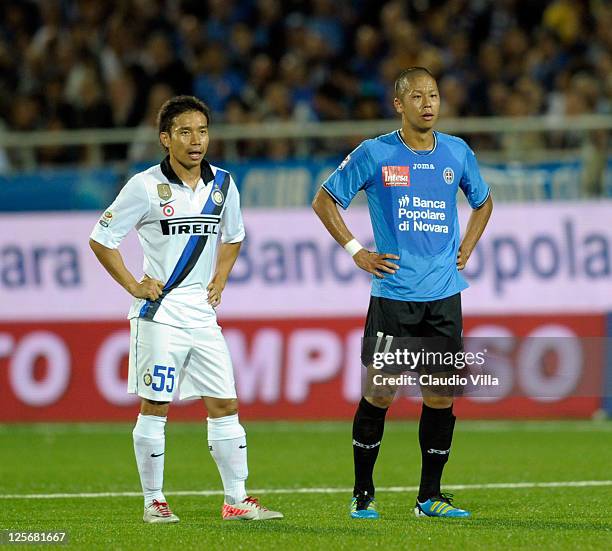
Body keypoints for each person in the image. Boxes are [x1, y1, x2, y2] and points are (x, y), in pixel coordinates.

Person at [89, 95, 283, 524]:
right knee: (156, 405)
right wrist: (135, 285)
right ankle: (153, 501)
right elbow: (102, 239)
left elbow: (234, 236)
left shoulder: (224, 185)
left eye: (202, 131)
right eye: (184, 132)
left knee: (225, 404)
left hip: (202, 316)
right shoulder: (143, 186)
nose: (196, 140)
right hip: (160, 315)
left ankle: (236, 500)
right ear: (165, 139)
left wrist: (222, 277)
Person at [312, 67, 493, 519]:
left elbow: (483, 201)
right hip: (393, 295)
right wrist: (357, 251)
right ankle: (362, 493)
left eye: (433, 95)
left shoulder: (457, 151)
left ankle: (429, 497)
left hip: (444, 296)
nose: (428, 103)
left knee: (441, 396)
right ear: (399, 104)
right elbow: (325, 199)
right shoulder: (376, 153)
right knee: (380, 394)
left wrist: (467, 246)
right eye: (417, 96)